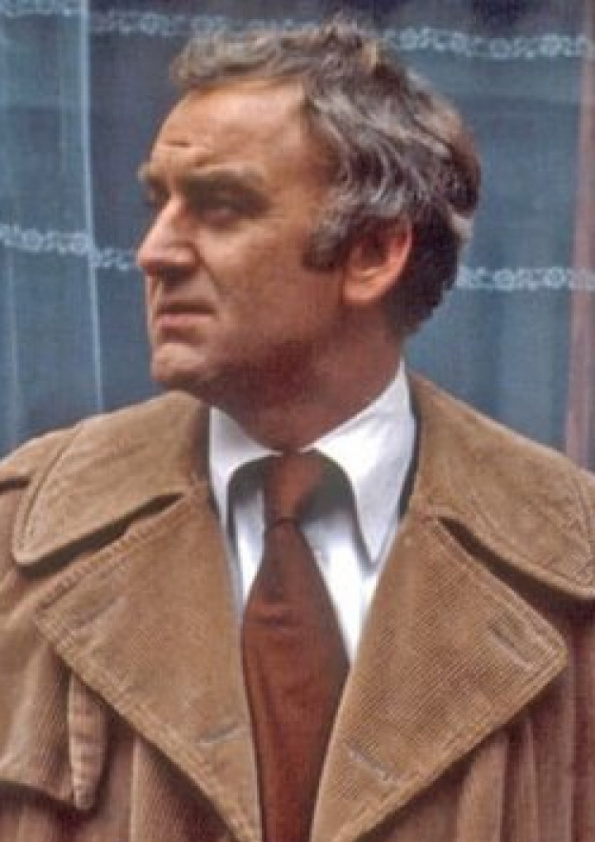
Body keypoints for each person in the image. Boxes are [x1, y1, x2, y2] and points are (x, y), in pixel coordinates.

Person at [0, 17, 594, 842]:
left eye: (220, 207)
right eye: (158, 204)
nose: (152, 252)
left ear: (373, 252)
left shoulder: (570, 569)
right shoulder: (19, 542)